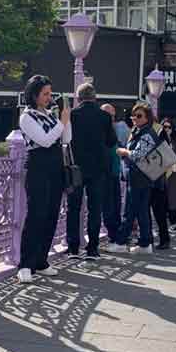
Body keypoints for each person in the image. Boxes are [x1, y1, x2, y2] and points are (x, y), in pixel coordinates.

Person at [17, 75, 72, 283]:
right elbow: (45, 140)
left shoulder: (50, 115)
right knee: (36, 215)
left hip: (55, 168)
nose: (49, 97)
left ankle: (41, 260)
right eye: (45, 94)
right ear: (34, 95)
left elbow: (66, 138)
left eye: (50, 93)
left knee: (51, 215)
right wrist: (61, 122)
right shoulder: (26, 117)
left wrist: (66, 120)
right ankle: (25, 264)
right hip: (38, 168)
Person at [66, 83, 117, 259]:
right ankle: (92, 248)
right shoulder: (104, 116)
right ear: (94, 97)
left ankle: (73, 248)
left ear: (78, 98)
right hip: (98, 169)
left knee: (73, 207)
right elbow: (111, 141)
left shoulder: (72, 115)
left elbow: (65, 140)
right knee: (95, 208)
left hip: (76, 168)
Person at [108, 102, 158, 254]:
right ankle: (145, 243)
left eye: (139, 116)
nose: (135, 118)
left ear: (147, 118)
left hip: (139, 178)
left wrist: (124, 152)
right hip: (140, 177)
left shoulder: (147, 134)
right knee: (141, 211)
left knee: (130, 211)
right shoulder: (140, 131)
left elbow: (137, 155)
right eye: (133, 115)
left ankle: (121, 242)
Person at [150, 119, 176, 248]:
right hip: (161, 173)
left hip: (173, 171)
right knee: (161, 203)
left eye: (169, 127)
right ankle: (159, 234)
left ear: (172, 128)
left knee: (172, 198)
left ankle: (173, 222)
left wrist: (173, 149)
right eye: (164, 126)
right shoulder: (158, 138)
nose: (166, 129)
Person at [100, 103, 123, 246]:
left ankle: (116, 235)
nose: (112, 119)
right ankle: (113, 235)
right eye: (110, 116)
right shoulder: (100, 130)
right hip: (105, 173)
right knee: (108, 206)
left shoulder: (113, 129)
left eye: (114, 116)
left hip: (115, 172)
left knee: (116, 205)